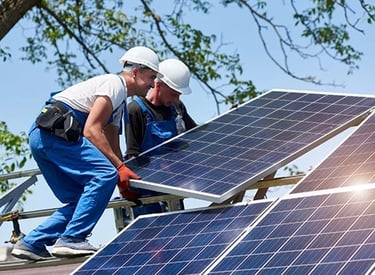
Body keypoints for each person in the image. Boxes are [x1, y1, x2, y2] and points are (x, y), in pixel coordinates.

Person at [11, 46, 161, 261]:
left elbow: (111, 141)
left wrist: (122, 178)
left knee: (84, 200)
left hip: (43, 136)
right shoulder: (114, 84)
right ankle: (72, 238)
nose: (152, 84)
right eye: (151, 77)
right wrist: (117, 170)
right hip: (57, 135)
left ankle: (32, 242)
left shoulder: (119, 102)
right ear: (135, 72)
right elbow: (92, 130)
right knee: (103, 175)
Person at [124, 58, 197, 218]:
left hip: (173, 186)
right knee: (154, 240)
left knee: (179, 233)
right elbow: (132, 157)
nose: (176, 100)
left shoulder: (177, 109)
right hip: (147, 195)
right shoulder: (135, 109)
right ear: (158, 85)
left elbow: (198, 137)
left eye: (179, 95)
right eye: (173, 94)